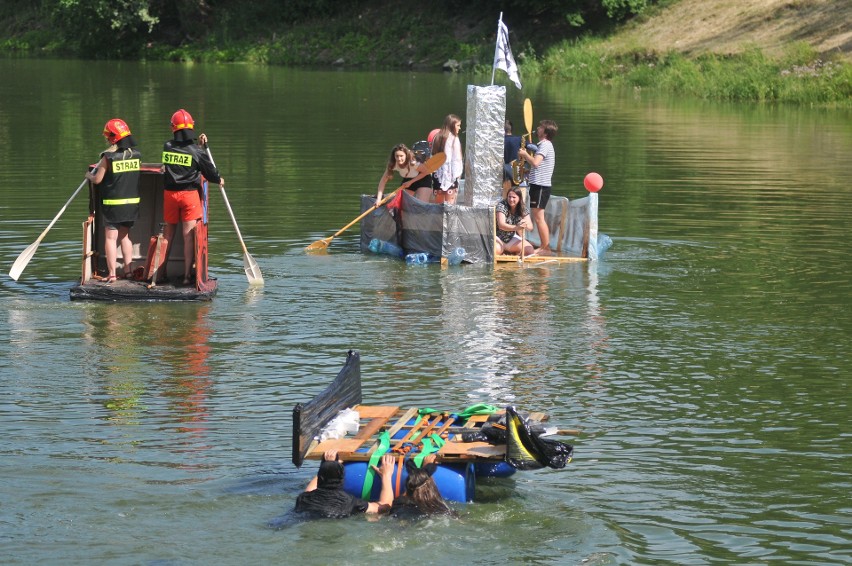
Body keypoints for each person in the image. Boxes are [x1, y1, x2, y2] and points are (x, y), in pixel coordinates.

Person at [161, 109, 224, 285]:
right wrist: (218, 178)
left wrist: (200, 147)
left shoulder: (167, 146)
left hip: (170, 195)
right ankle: (188, 276)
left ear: (173, 128)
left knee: (168, 235)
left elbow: (180, 151)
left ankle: (160, 273)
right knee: (188, 236)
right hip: (189, 196)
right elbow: (210, 172)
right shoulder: (197, 151)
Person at [85, 119, 141, 284]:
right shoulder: (136, 155)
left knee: (110, 238)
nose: (107, 139)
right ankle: (128, 272)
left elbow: (97, 179)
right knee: (125, 237)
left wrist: (88, 175)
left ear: (113, 138)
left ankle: (112, 274)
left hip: (113, 206)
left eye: (108, 136)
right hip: (131, 205)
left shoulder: (108, 157)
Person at [295, 449, 395, 519]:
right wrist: (386, 476)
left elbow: (310, 489)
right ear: (343, 479)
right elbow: (384, 506)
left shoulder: (303, 499)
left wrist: (329, 465)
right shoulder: (350, 502)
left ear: (320, 477)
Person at [517, 119, 557, 255]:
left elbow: (536, 162)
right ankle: (544, 246)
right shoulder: (543, 145)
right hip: (537, 185)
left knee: (539, 218)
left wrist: (524, 155)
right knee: (538, 217)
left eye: (540, 127)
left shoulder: (545, 145)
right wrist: (527, 172)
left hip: (541, 186)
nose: (537, 128)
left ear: (545, 132)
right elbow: (539, 167)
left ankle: (546, 248)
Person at [389, 454, 456, 518]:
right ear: (432, 487)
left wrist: (386, 476)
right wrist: (423, 473)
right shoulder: (444, 510)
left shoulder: (398, 506)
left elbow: (412, 487)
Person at [430, 114, 463, 205]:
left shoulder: (436, 137)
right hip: (450, 175)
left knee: (438, 204)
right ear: (452, 125)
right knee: (450, 204)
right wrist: (458, 174)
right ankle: (448, 219)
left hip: (437, 175)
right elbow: (456, 159)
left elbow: (432, 156)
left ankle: (438, 219)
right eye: (458, 125)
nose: (459, 128)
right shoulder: (454, 139)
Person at [494, 186, 535, 256]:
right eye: (509, 197)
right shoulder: (502, 205)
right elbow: (501, 225)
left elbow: (530, 227)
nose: (511, 199)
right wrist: (517, 227)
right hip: (498, 237)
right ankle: (505, 251)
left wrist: (525, 224)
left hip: (510, 238)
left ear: (519, 198)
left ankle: (511, 253)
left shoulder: (522, 208)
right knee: (496, 252)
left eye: (514, 197)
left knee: (530, 250)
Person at [503, 120, 522, 195]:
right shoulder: (519, 139)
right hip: (515, 171)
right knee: (515, 191)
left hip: (502, 171)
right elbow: (533, 147)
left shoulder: (498, 141)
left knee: (505, 192)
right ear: (511, 129)